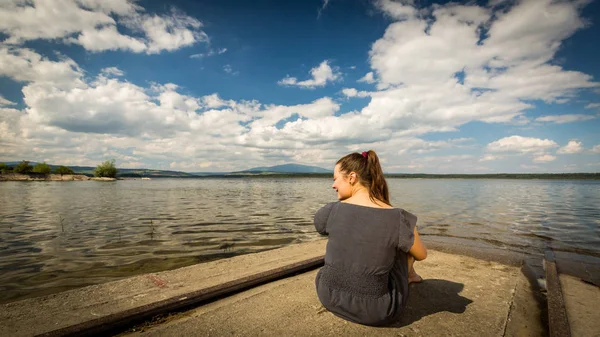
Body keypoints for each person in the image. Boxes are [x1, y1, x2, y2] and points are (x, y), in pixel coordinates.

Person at [314, 150, 427, 326]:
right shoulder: (398, 217)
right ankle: (410, 276)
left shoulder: (331, 210)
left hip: (328, 294)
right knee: (403, 244)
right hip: (377, 311)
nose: (333, 185)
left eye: (335, 179)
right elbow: (421, 255)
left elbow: (321, 226)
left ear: (352, 177)